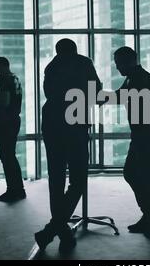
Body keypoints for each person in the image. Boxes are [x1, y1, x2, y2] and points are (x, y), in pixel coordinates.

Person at [35, 39, 101, 253]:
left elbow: (48, 94)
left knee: (56, 180)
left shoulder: (51, 67)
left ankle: (61, 232)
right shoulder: (84, 63)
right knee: (78, 180)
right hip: (74, 125)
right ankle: (53, 229)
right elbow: (96, 91)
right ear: (75, 50)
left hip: (52, 125)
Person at [113, 46, 150, 235]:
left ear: (129, 61)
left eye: (119, 63)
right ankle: (149, 216)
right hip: (145, 132)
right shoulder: (133, 77)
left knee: (141, 175)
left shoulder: (140, 78)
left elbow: (124, 95)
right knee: (138, 174)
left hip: (147, 133)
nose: (117, 68)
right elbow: (121, 94)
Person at [0, 57, 25, 202]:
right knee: (11, 155)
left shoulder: (4, 79)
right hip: (14, 120)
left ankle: (12, 190)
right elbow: (10, 99)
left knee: (6, 156)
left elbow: (4, 102)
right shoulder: (15, 79)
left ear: (3, 66)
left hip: (5, 122)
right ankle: (18, 189)